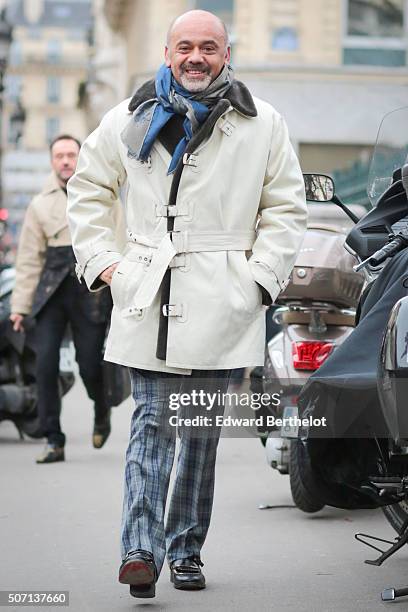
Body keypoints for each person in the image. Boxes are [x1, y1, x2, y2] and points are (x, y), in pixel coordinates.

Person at [67, 10, 307, 599]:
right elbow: (89, 189)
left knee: (197, 434)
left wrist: (257, 282)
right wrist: (107, 265)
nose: (195, 57)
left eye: (208, 47)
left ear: (227, 54)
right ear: (168, 51)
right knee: (151, 425)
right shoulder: (129, 117)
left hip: (224, 298)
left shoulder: (263, 123)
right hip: (147, 292)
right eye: (184, 47)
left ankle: (186, 548)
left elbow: (285, 208)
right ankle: (140, 551)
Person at [10, 134, 113, 464]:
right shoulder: (39, 204)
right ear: (52, 161)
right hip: (51, 290)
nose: (66, 160)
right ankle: (53, 439)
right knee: (44, 365)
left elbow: (122, 242)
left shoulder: (101, 196)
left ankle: (101, 409)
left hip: (92, 287)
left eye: (71, 154)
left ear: (81, 157)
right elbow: (28, 259)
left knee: (89, 364)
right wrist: (20, 307)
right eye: (60, 156)